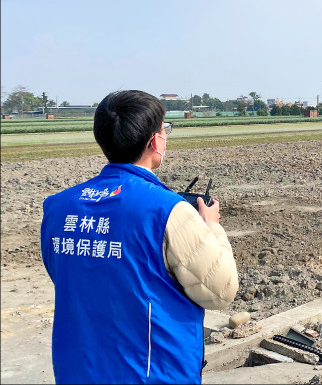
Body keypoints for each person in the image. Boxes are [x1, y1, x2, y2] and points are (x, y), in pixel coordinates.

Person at [40, 90, 239, 384]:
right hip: (152, 372)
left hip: (78, 371)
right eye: (164, 130)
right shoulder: (169, 211)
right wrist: (211, 227)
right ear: (155, 141)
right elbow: (220, 291)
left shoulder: (58, 207)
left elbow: (69, 275)